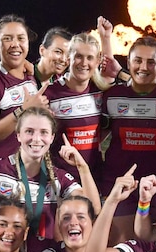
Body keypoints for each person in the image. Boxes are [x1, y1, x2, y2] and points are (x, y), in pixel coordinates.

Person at [0, 107, 100, 240]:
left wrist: (83, 168)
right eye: (29, 131)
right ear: (18, 135)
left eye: (44, 132)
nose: (36, 139)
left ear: (52, 137)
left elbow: (93, 209)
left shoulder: (59, 178)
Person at [101, 35, 156, 243]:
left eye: (151, 62)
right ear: (128, 63)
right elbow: (99, 137)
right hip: (118, 184)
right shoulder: (112, 96)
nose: (144, 67)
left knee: (151, 251)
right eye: (138, 60)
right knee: (121, 248)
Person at [0, 14, 47, 162]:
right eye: (7, 38)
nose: (15, 44)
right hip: (0, 174)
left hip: (29, 168)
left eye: (21, 38)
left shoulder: (30, 75)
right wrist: (22, 111)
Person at [45, 29, 110, 180]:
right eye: (79, 56)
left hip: (93, 177)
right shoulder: (50, 94)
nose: (84, 63)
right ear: (69, 57)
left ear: (97, 60)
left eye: (90, 57)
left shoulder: (101, 92)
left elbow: (104, 130)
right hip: (60, 179)